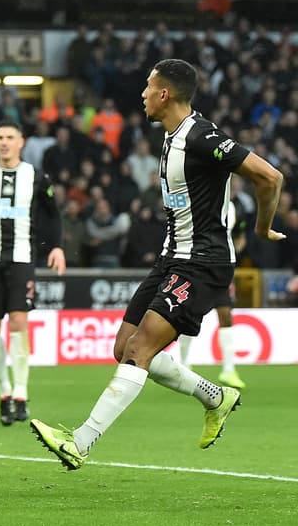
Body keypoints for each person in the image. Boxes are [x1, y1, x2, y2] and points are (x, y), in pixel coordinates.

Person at [31, 60, 285, 470]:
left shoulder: (202, 137)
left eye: (148, 87)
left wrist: (263, 227)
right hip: (172, 258)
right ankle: (216, 397)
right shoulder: (172, 137)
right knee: (123, 348)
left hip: (202, 262)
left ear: (165, 94)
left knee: (142, 348)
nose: (143, 94)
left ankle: (79, 442)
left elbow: (270, 177)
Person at [0, 120, 66, 426]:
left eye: (9, 137)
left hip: (22, 258)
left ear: (21, 141)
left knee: (20, 320)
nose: (4, 142)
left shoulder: (35, 175)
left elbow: (53, 213)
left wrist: (56, 247)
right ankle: (4, 392)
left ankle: (21, 393)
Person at [177, 194, 248, 390]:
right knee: (189, 315)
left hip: (221, 268)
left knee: (226, 315)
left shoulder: (235, 208)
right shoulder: (201, 201)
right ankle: (183, 365)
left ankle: (229, 369)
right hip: (196, 267)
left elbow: (241, 237)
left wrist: (236, 250)